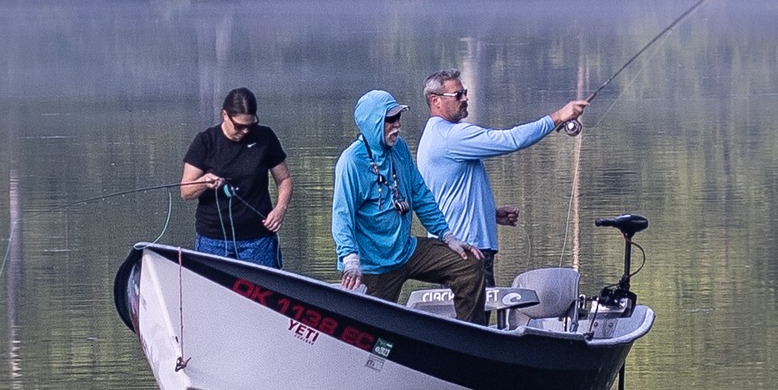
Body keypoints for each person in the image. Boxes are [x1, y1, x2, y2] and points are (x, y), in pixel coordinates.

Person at [330, 89, 492, 320]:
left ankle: (470, 335)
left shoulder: (400, 149)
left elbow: (421, 195)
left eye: (399, 118)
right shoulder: (351, 162)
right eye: (390, 120)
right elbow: (342, 216)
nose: (397, 125)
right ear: (373, 123)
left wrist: (448, 236)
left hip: (406, 250)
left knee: (468, 264)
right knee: (373, 327)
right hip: (374, 265)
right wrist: (351, 259)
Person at [414, 70, 587, 279]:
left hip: (452, 249)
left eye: (465, 92)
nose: (465, 98)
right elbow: (510, 139)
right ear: (436, 101)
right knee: (475, 312)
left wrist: (488, 213)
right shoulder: (452, 136)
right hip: (468, 252)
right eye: (458, 95)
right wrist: (558, 116)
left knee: (458, 312)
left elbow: (446, 194)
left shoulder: (433, 135)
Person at [178, 87, 290, 267]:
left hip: (258, 239)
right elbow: (185, 191)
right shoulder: (205, 141)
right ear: (225, 115)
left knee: (263, 293)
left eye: (250, 125)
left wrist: (280, 209)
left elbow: (284, 180)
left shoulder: (265, 137)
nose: (245, 131)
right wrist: (204, 181)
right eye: (239, 126)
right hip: (213, 240)